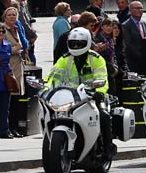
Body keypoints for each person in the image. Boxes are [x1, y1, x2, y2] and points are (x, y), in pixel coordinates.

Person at [44, 27, 115, 156]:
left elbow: (102, 78)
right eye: (73, 44)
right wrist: (45, 89)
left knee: (103, 115)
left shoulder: (96, 58)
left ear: (87, 43)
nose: (76, 46)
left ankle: (108, 147)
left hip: (92, 96)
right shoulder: (64, 59)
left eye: (80, 44)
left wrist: (99, 91)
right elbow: (54, 76)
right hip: (70, 97)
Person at [0, 23, 14, 138]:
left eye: (3, 31)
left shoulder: (8, 45)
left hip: (5, 78)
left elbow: (9, 62)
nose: (1, 34)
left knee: (5, 107)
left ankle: (4, 130)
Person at [121, 1, 146, 75]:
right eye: (136, 8)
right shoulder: (125, 26)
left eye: (141, 8)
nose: (139, 10)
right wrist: (141, 56)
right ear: (130, 10)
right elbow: (129, 44)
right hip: (134, 61)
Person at [1, 7, 24, 98]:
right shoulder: (2, 30)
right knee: (11, 94)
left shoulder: (15, 29)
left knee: (17, 95)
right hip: (9, 66)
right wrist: (15, 49)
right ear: (5, 17)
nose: (12, 17)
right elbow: (0, 49)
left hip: (17, 66)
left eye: (14, 15)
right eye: (9, 15)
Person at [13, 0, 36, 64]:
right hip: (24, 37)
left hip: (28, 36)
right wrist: (33, 34)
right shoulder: (15, 4)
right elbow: (23, 23)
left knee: (31, 58)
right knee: (29, 60)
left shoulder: (24, 3)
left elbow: (28, 17)